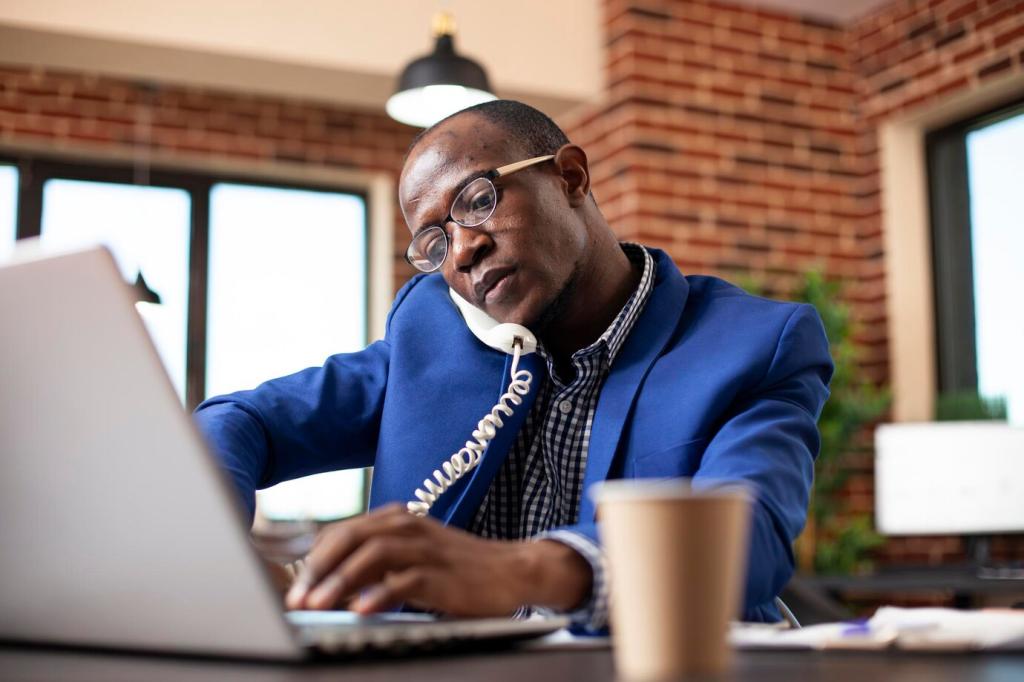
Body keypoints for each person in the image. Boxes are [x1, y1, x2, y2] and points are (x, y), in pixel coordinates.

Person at [194, 100, 833, 631]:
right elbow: (239, 420)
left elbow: (750, 538)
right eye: (434, 241)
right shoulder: (433, 332)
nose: (462, 251)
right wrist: (213, 550)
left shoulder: (753, 344)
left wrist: (522, 571)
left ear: (572, 177)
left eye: (478, 200)